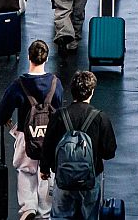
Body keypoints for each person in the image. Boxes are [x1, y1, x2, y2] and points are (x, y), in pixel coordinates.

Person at [0, 40, 65, 220]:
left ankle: (28, 208)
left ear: (28, 57)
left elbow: (0, 115)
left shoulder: (19, 85)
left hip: (26, 137)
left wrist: (11, 125)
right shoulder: (56, 84)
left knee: (26, 171)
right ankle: (44, 211)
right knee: (46, 172)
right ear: (46, 58)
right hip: (50, 138)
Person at [44, 71, 118, 219]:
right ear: (91, 92)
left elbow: (48, 145)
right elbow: (110, 152)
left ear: (72, 91)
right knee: (90, 215)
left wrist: (45, 168)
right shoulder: (100, 117)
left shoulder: (59, 115)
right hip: (90, 178)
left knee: (60, 216)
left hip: (63, 178)